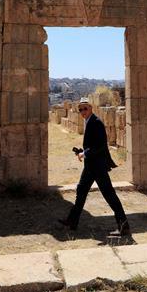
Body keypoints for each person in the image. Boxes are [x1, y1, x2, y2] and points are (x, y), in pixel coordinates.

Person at [58, 98, 130, 236]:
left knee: (109, 194)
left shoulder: (96, 122)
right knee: (81, 190)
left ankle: (124, 225)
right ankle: (72, 221)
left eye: (85, 108)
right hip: (91, 166)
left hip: (97, 166)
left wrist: (85, 154)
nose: (82, 112)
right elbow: (92, 145)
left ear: (91, 108)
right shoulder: (89, 122)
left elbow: (101, 146)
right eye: (80, 110)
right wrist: (81, 151)